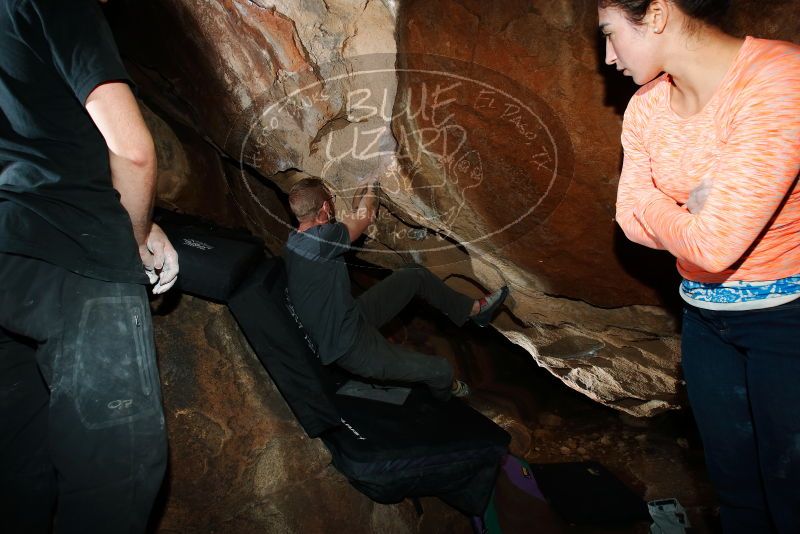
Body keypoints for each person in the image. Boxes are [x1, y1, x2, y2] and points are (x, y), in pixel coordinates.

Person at [598, 0, 799, 532]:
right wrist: (693, 212)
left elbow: (712, 245)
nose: (609, 56)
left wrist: (669, 213)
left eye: (612, 33)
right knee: (733, 488)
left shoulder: (778, 78)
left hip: (787, 320)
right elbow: (628, 219)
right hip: (704, 317)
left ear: (657, 15)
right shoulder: (645, 106)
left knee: (792, 489)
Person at [0, 0, 179, 532]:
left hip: (10, 253)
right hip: (75, 255)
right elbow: (133, 150)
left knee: (18, 476)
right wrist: (138, 235)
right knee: (117, 481)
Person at [283, 177, 508, 401]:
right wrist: (372, 185)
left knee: (414, 275)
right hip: (351, 348)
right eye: (330, 200)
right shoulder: (322, 241)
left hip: (351, 316)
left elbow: (345, 228)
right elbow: (366, 214)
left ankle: (474, 311)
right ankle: (447, 399)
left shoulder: (294, 241)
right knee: (441, 370)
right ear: (324, 207)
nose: (332, 204)